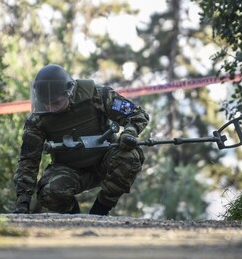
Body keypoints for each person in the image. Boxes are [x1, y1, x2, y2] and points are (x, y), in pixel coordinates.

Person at [12, 64, 149, 215]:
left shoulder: (96, 95)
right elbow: (28, 160)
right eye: (47, 104)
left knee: (131, 156)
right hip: (70, 169)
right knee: (49, 192)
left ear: (69, 91)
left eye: (56, 103)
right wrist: (23, 202)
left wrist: (129, 133)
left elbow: (137, 115)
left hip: (106, 162)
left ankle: (100, 211)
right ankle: (74, 218)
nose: (51, 108)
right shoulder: (38, 118)